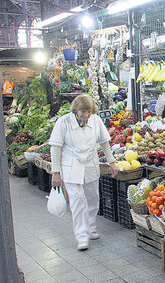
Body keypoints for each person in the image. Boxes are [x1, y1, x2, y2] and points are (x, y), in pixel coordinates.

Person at [49, 94, 119, 251]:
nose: (85, 115)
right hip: (71, 166)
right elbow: (55, 147)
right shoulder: (64, 122)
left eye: (88, 111)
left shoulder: (95, 120)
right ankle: (81, 237)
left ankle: (91, 228)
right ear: (75, 110)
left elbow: (104, 142)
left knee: (93, 198)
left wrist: (112, 162)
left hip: (90, 164)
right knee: (78, 200)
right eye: (82, 112)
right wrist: (56, 172)